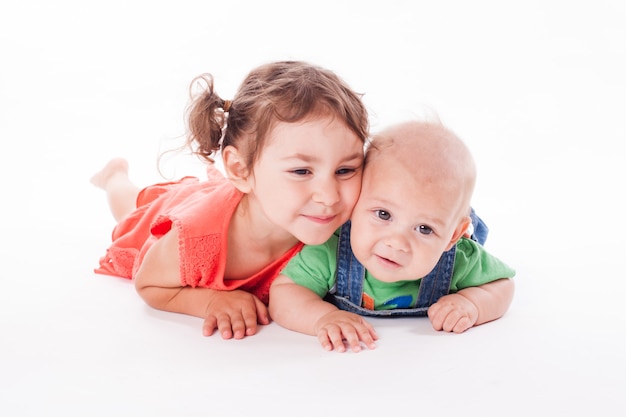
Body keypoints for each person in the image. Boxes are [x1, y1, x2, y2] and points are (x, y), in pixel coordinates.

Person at [90, 60, 369, 340]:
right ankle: (114, 176)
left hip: (232, 197)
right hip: (180, 210)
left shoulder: (334, 225)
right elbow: (148, 284)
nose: (329, 196)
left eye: (345, 170)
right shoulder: (195, 240)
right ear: (240, 169)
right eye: (301, 171)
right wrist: (210, 301)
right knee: (130, 205)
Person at [269, 119, 516, 352]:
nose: (396, 243)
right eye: (383, 214)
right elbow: (285, 292)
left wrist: (471, 303)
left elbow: (502, 284)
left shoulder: (459, 258)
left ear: (452, 237)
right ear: (355, 204)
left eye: (424, 229)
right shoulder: (331, 250)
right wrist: (322, 316)